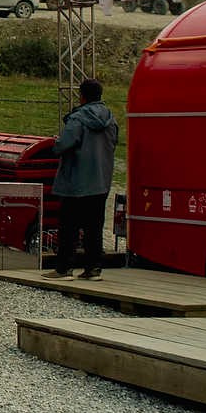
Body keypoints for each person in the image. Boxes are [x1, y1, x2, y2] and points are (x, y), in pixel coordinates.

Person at [47, 78, 119, 280]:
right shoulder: (110, 119)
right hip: (101, 181)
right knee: (94, 227)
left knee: (69, 227)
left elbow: (63, 145)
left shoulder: (78, 119)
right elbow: (113, 145)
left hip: (75, 183)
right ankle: (93, 269)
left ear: (82, 96)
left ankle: (64, 268)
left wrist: (56, 142)